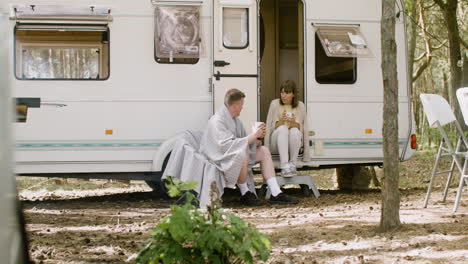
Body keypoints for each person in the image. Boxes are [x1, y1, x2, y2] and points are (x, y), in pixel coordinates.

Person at [199, 88, 298, 205]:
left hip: (231, 152)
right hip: (218, 157)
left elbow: (240, 140)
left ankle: (275, 193)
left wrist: (255, 141)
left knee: (264, 151)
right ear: (235, 106)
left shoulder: (235, 120)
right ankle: (245, 193)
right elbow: (227, 146)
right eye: (241, 105)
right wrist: (254, 135)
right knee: (242, 154)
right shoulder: (218, 121)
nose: (242, 107)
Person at [265, 80, 310, 177]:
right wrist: (281, 121)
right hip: (275, 143)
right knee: (283, 129)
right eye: (282, 92)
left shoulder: (300, 106)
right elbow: (269, 127)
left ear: (293, 94)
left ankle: (292, 165)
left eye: (287, 93)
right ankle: (285, 166)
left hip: (293, 143)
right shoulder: (274, 104)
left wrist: (294, 123)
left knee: (295, 131)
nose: (284, 95)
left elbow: (304, 129)